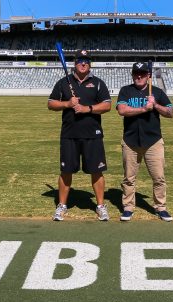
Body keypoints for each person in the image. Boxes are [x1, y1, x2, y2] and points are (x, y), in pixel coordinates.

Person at [47, 49, 112, 221]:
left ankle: (100, 206)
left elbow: (107, 105)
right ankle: (62, 206)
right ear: (74, 63)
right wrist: (68, 103)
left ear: (90, 64)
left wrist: (87, 109)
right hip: (69, 134)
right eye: (80, 60)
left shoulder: (97, 83)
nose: (83, 63)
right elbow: (50, 103)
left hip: (93, 135)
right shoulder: (63, 82)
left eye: (86, 61)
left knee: (97, 171)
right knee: (66, 171)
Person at [115, 62, 173, 222]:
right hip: (130, 141)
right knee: (128, 178)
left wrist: (155, 105)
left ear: (148, 75)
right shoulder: (125, 91)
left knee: (159, 178)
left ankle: (161, 207)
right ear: (132, 75)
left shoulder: (157, 92)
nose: (139, 76)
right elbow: (122, 110)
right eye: (136, 73)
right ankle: (128, 207)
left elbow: (170, 113)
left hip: (153, 141)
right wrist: (144, 109)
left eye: (142, 73)